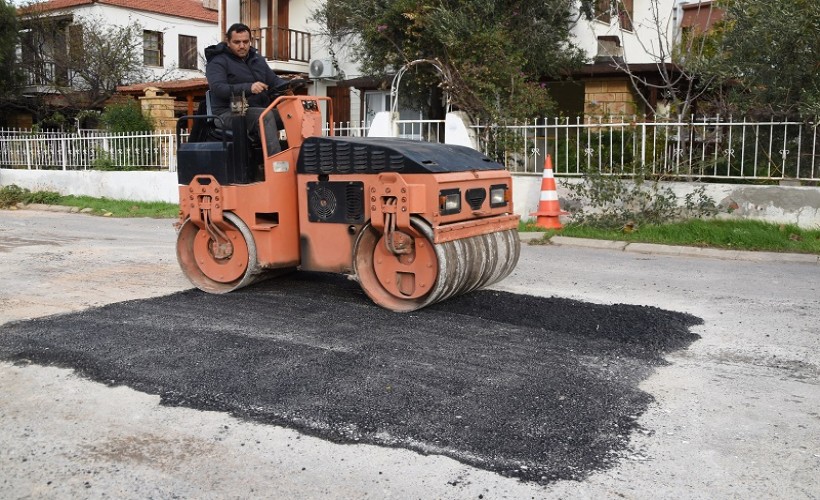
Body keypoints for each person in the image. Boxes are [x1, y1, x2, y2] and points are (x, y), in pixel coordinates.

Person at [204, 23, 289, 150]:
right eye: (237, 42)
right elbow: (218, 88)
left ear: (250, 41)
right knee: (265, 116)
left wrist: (290, 85)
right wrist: (249, 88)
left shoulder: (257, 60)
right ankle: (275, 163)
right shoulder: (217, 62)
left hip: (256, 110)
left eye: (245, 41)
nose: (242, 46)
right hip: (228, 113)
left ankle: (299, 158)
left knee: (292, 113)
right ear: (228, 42)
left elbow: (274, 81)